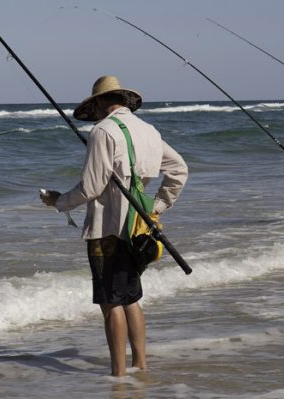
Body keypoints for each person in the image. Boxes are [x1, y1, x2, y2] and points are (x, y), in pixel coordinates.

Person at [40, 76, 188, 376]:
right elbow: (179, 170)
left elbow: (91, 187)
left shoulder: (102, 131)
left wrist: (59, 202)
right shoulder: (149, 130)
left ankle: (118, 376)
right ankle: (140, 367)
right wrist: (157, 206)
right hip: (139, 228)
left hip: (106, 229)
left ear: (98, 103)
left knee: (111, 303)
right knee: (131, 297)